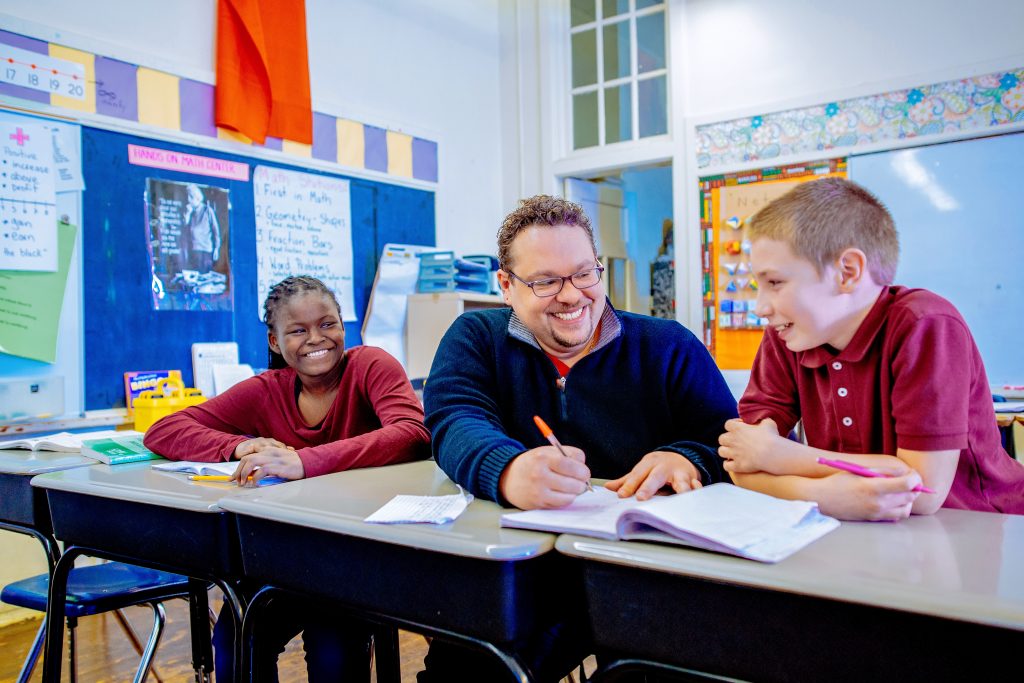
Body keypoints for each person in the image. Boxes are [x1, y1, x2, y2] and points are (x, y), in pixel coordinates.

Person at [420, 195, 737, 681]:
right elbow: (454, 419)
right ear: (506, 286)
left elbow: (723, 438)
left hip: (643, 576)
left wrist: (687, 458)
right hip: (521, 576)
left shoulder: (667, 345)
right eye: (545, 281)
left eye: (585, 273)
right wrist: (506, 470)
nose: (571, 295)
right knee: (469, 666)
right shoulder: (476, 337)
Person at [144, 275, 431, 682]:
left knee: (332, 651)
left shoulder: (370, 366)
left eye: (328, 324)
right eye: (297, 330)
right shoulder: (266, 390)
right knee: (234, 640)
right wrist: (238, 446)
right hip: (284, 556)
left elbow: (412, 434)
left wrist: (304, 461)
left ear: (342, 327)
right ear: (275, 342)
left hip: (358, 556)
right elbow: (164, 430)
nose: (317, 338)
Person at [718, 177, 1024, 520]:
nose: (760, 307)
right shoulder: (787, 334)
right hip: (858, 531)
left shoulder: (925, 323)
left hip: (981, 526)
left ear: (847, 272)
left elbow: (922, 493)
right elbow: (741, 464)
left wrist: (782, 458)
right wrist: (820, 495)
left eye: (775, 283)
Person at [183, 183, 221, 273]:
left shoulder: (207, 210)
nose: (189, 200)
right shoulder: (189, 212)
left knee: (205, 276)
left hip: (205, 250)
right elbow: (184, 231)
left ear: (197, 198)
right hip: (193, 250)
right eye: (188, 197)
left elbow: (216, 231)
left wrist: (216, 248)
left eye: (191, 197)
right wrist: (187, 215)